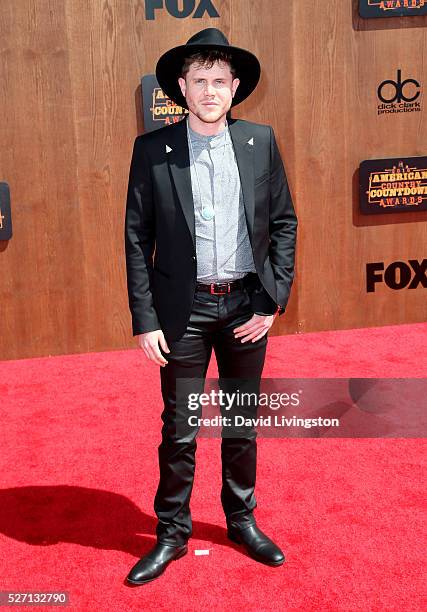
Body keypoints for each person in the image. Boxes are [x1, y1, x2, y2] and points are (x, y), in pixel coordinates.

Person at [124, 27, 297, 585]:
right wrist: (145, 318)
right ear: (181, 86)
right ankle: (172, 534)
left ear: (235, 86)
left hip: (247, 306)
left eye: (218, 81)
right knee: (180, 428)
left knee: (242, 423)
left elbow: (284, 224)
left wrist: (273, 301)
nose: (209, 90)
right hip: (184, 312)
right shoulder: (153, 150)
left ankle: (241, 520)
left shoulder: (260, 141)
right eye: (198, 80)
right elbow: (136, 237)